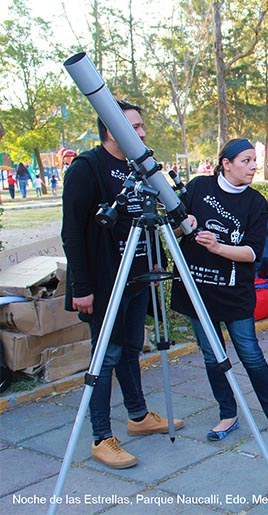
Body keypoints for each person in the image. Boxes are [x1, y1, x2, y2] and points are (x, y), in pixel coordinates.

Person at [61, 99, 184, 469]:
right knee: (106, 357)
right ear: (113, 130)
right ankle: (101, 436)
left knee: (131, 349)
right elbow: (72, 233)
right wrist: (81, 287)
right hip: (102, 283)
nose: (143, 133)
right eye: (135, 127)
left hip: (135, 278)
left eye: (142, 126)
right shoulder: (87, 168)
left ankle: (138, 415)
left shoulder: (137, 168)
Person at [170, 138, 268, 443]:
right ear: (226, 163)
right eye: (246, 161)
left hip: (235, 292)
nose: (253, 166)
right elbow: (169, 232)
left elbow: (252, 253)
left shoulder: (255, 203)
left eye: (254, 160)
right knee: (212, 356)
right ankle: (228, 415)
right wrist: (183, 224)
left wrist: (219, 247)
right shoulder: (197, 187)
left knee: (250, 354)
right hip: (197, 290)